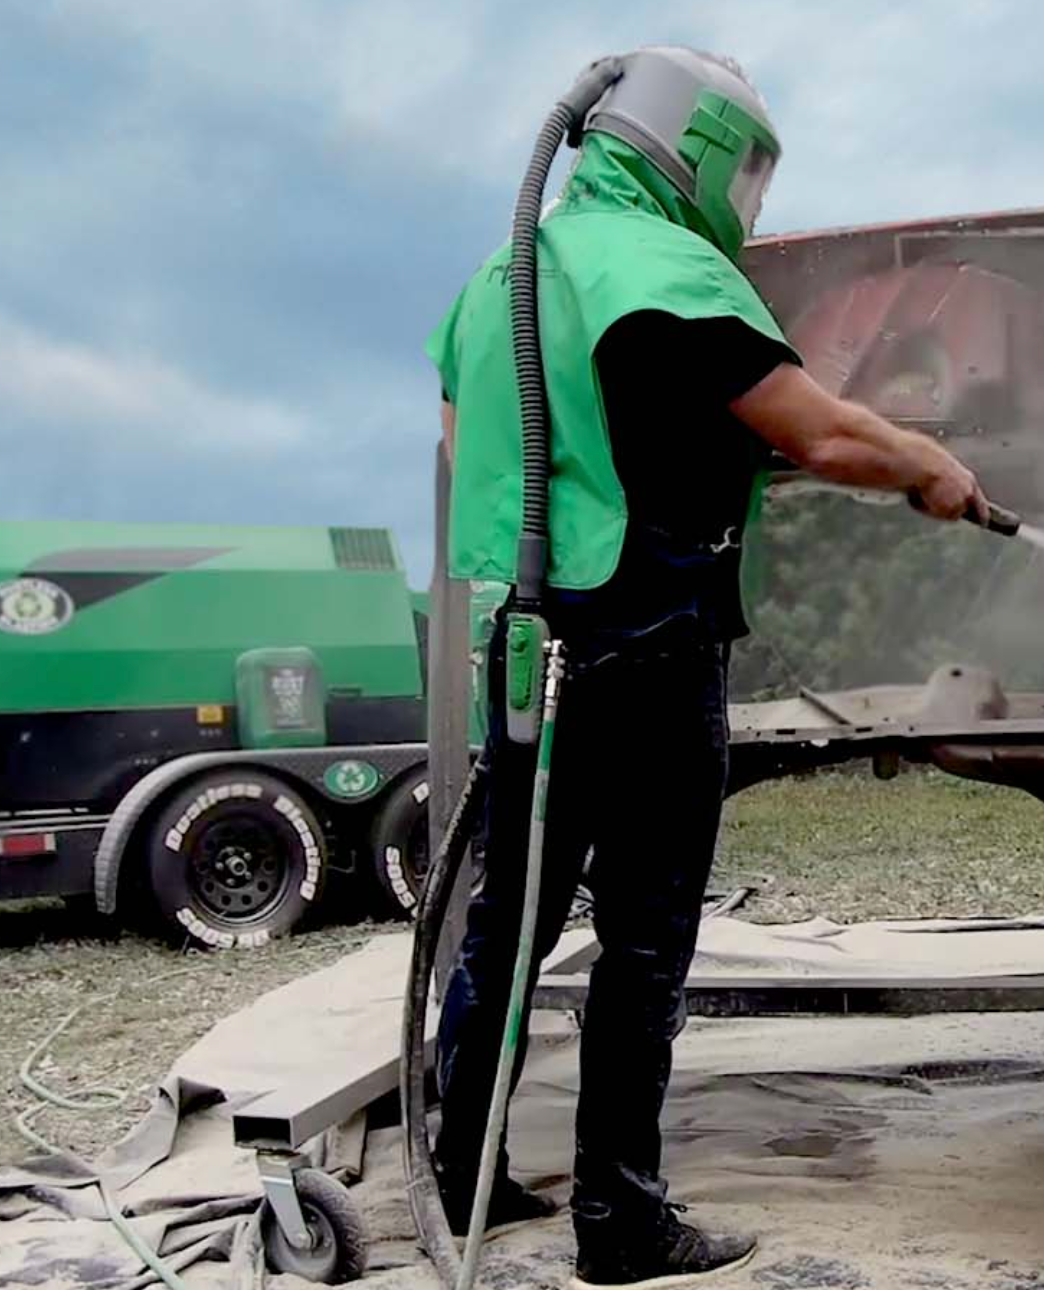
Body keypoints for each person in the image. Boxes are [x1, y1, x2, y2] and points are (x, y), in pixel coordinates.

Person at [424, 47, 991, 1290]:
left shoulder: (492, 288)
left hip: (526, 657)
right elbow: (820, 431)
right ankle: (620, 1223)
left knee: (503, 932)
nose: (749, 201)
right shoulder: (665, 267)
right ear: (697, 146)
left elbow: (487, 448)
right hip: (647, 657)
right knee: (641, 945)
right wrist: (929, 467)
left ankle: (458, 1172)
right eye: (749, 173)